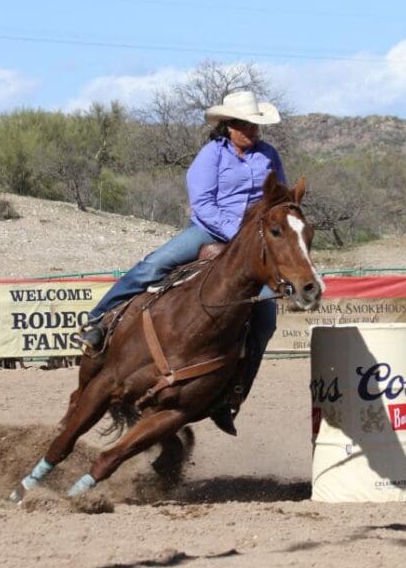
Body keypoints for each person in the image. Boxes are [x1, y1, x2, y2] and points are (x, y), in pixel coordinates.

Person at [79, 90, 286, 435]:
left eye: (255, 126)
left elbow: (277, 198)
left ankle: (230, 398)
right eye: (245, 125)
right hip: (208, 232)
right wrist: (238, 233)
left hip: (253, 246)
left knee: (264, 320)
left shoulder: (269, 156)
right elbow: (202, 205)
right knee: (155, 265)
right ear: (229, 127)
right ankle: (99, 321)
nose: (252, 131)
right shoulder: (212, 155)